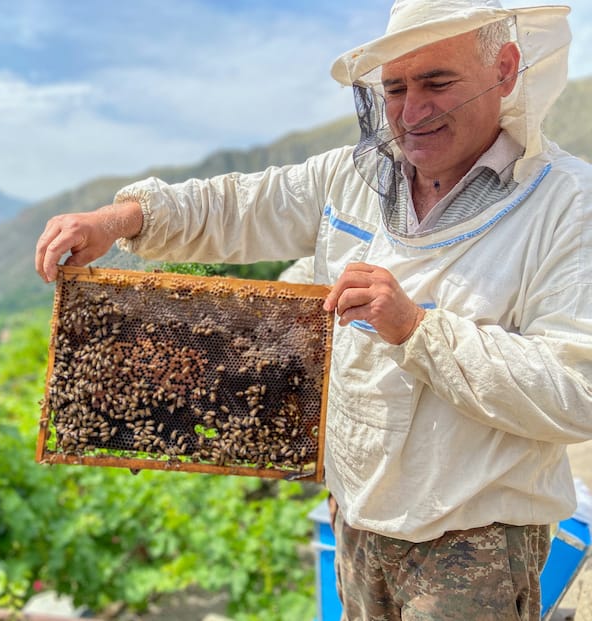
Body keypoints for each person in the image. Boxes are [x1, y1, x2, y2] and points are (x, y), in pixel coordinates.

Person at [35, 0, 592, 618]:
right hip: (353, 518)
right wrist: (121, 218)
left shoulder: (569, 205)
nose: (412, 111)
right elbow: (240, 204)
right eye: (395, 88)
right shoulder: (353, 176)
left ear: (506, 70)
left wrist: (415, 329)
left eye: (437, 82)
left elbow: (576, 390)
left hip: (473, 540)